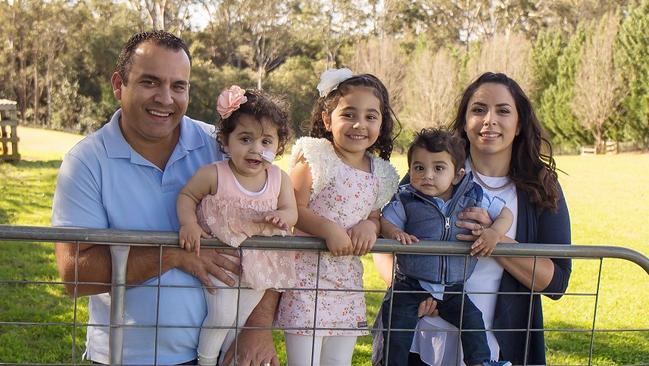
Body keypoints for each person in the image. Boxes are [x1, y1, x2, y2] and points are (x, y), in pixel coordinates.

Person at [52, 31, 280, 366]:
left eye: (178, 86)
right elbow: (73, 273)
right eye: (150, 82)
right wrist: (174, 255)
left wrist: (258, 326)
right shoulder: (86, 162)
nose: (165, 98)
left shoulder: (220, 145)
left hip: (223, 354)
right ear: (119, 85)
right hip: (123, 357)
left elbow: (274, 236)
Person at [373, 72, 572, 365]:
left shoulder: (541, 185)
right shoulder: (433, 169)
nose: (489, 120)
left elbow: (556, 283)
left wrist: (494, 237)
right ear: (465, 122)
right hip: (420, 339)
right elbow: (384, 241)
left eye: (503, 110)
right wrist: (416, 292)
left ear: (519, 124)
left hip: (496, 347)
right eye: (478, 110)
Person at [275, 68, 400, 366]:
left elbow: (374, 214)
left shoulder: (379, 172)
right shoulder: (316, 158)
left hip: (345, 283)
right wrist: (327, 228)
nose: (360, 124)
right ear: (327, 119)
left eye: (371, 116)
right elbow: (292, 208)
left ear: (381, 124)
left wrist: (370, 226)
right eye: (349, 114)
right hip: (307, 281)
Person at [176, 85, 298, 366]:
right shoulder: (215, 175)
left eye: (266, 142)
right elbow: (187, 196)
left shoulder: (279, 179)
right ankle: (206, 361)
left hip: (260, 263)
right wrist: (189, 224)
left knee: (240, 321)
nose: (256, 149)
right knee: (221, 315)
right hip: (224, 259)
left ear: (278, 145)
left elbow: (291, 212)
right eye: (246, 139)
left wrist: (283, 218)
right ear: (225, 141)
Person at [379, 128, 513, 366]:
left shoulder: (473, 195)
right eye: (419, 168)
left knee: (472, 320)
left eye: (438, 168)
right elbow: (386, 219)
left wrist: (494, 232)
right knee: (396, 325)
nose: (427, 175)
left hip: (453, 286)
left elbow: (505, 213)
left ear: (457, 174)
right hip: (411, 283)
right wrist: (395, 232)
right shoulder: (407, 198)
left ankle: (481, 362)